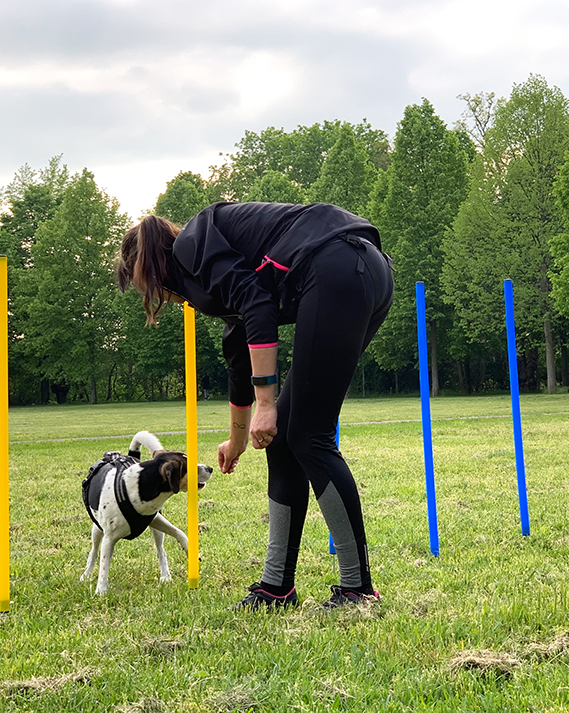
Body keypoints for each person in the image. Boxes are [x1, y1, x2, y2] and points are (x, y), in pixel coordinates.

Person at [116, 202, 393, 609]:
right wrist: (237, 439)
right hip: (356, 271)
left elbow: (258, 305)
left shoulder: (192, 246)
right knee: (285, 443)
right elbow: (239, 348)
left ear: (148, 268)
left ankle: (358, 590)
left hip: (337, 265)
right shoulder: (207, 263)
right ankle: (277, 587)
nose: (154, 297)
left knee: (310, 437)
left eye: (143, 286)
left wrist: (267, 403)